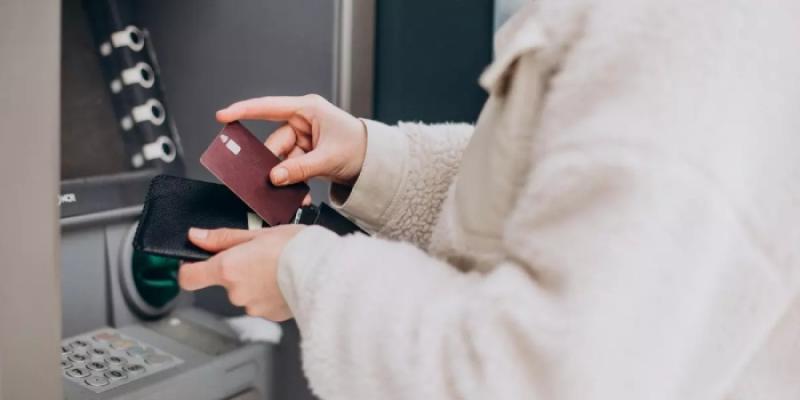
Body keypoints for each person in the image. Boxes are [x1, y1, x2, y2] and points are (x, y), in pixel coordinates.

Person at [178, 1, 800, 399]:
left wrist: (304, 273)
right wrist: (377, 159)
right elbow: (566, 199)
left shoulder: (679, 26)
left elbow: (546, 379)